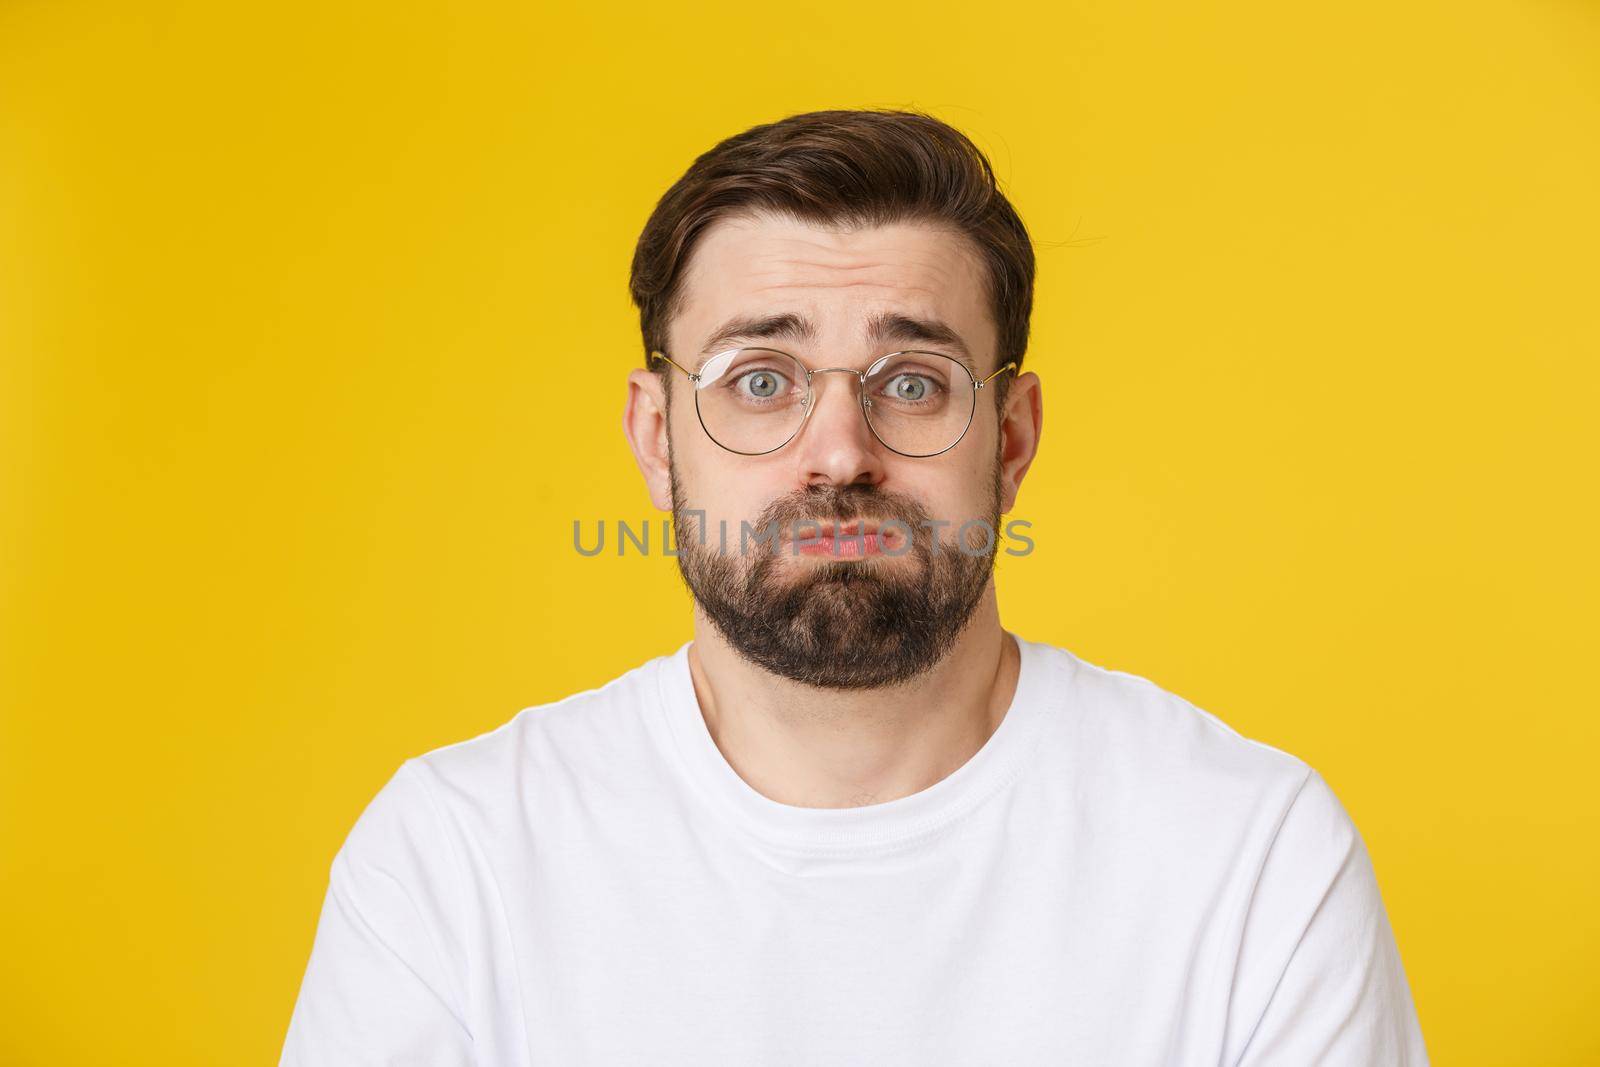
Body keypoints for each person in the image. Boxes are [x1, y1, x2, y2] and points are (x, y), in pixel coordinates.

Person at [279, 108, 1429, 1065]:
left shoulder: (1248, 855)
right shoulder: (453, 858)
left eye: (914, 382)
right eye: (760, 378)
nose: (838, 452)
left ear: (1012, 438)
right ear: (654, 435)